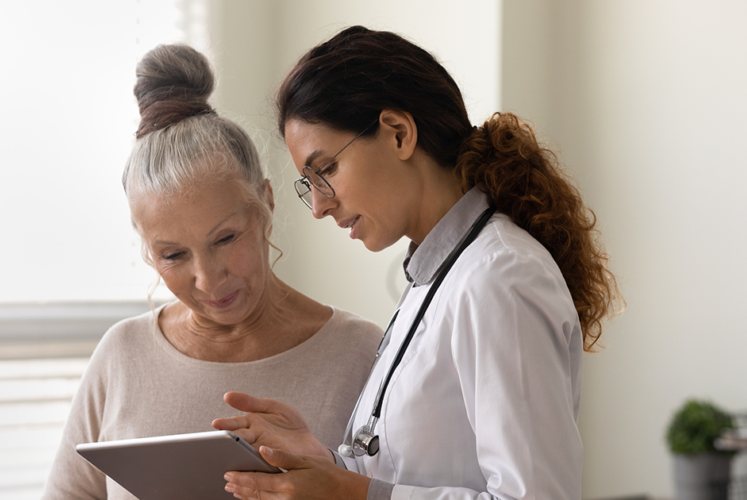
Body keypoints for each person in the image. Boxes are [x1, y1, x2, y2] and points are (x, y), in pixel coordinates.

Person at [213, 26, 623, 500]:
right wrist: (326, 463)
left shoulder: (500, 278)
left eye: (325, 170)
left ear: (399, 133)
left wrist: (355, 494)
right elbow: (424, 468)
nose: (320, 206)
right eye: (310, 184)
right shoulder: (438, 276)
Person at [41, 44, 383, 500]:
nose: (207, 280)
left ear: (266, 201)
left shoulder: (362, 354)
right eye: (173, 256)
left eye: (225, 240)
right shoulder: (121, 356)